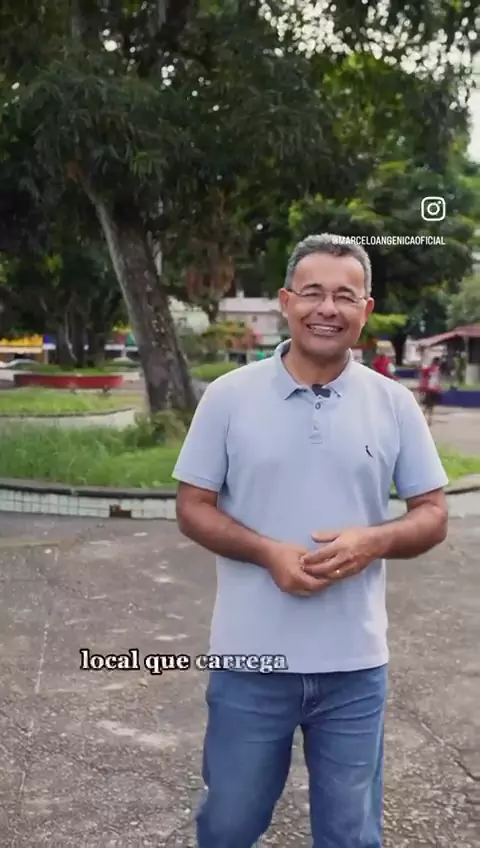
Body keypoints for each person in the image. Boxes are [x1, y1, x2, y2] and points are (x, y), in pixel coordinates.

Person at [172, 233, 449, 848]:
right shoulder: (228, 397)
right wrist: (268, 552)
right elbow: (192, 507)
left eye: (345, 296)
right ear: (286, 302)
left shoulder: (394, 404)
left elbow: (432, 514)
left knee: (350, 834)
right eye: (313, 292)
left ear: (365, 310)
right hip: (250, 660)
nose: (328, 308)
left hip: (354, 666)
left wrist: (373, 542)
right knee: (229, 824)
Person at [418, 355, 442, 427]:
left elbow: (437, 380)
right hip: (430, 389)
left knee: (430, 405)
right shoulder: (431, 369)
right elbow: (424, 375)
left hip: (433, 389)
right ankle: (425, 419)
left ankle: (428, 419)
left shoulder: (436, 369)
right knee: (429, 405)